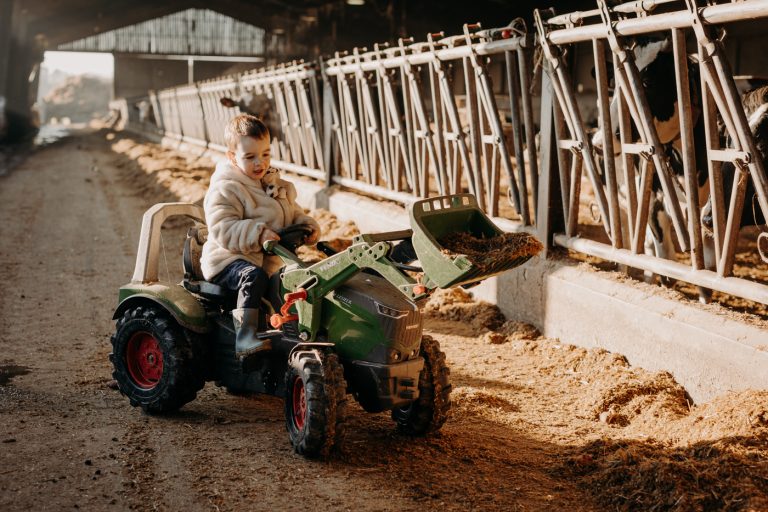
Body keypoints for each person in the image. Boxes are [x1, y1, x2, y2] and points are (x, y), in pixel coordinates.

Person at [201, 114, 320, 361]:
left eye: (265, 154)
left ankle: (296, 332)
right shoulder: (227, 188)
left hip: (268, 259)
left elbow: (291, 212)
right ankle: (245, 337)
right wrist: (258, 233)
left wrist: (306, 225)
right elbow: (222, 228)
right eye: (250, 157)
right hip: (229, 260)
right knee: (253, 277)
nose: (260, 163)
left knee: (303, 278)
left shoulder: (275, 184)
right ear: (232, 157)